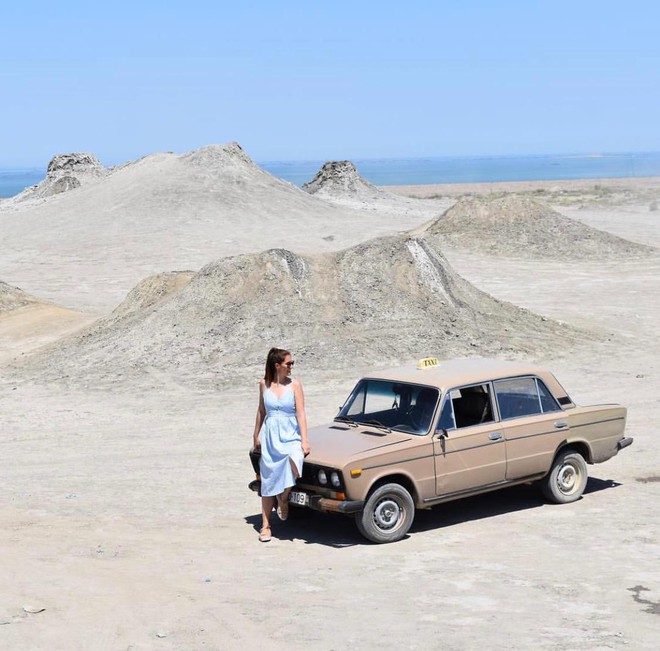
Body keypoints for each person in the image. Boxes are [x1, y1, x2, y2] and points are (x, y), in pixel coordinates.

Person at [252, 347, 310, 542]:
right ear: (277, 365)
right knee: (268, 480)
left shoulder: (295, 385)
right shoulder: (264, 384)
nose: (292, 366)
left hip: (290, 433)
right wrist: (256, 435)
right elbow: (261, 411)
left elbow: (301, 413)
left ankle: (283, 498)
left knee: (295, 461)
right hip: (270, 435)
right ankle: (266, 525)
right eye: (289, 363)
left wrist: (304, 439)